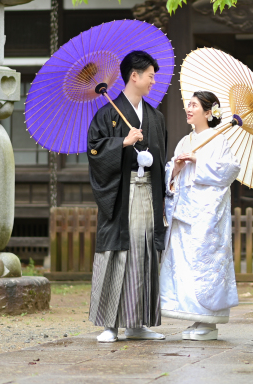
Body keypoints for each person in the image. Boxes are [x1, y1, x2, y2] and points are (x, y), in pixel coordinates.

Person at [86, 50, 168, 343]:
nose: (153, 81)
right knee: (119, 252)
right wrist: (122, 141)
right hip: (122, 194)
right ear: (134, 75)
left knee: (145, 251)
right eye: (150, 75)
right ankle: (110, 324)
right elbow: (94, 151)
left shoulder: (156, 118)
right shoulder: (107, 114)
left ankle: (137, 323)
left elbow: (161, 159)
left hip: (148, 192)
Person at [160, 91, 241, 341]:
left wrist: (198, 159)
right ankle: (196, 318)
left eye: (194, 105)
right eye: (188, 105)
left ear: (209, 112)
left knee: (204, 265)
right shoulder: (185, 140)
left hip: (206, 215)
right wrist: (175, 168)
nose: (188, 109)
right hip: (184, 212)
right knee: (184, 266)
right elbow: (171, 174)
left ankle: (209, 322)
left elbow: (229, 171)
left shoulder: (218, 140)